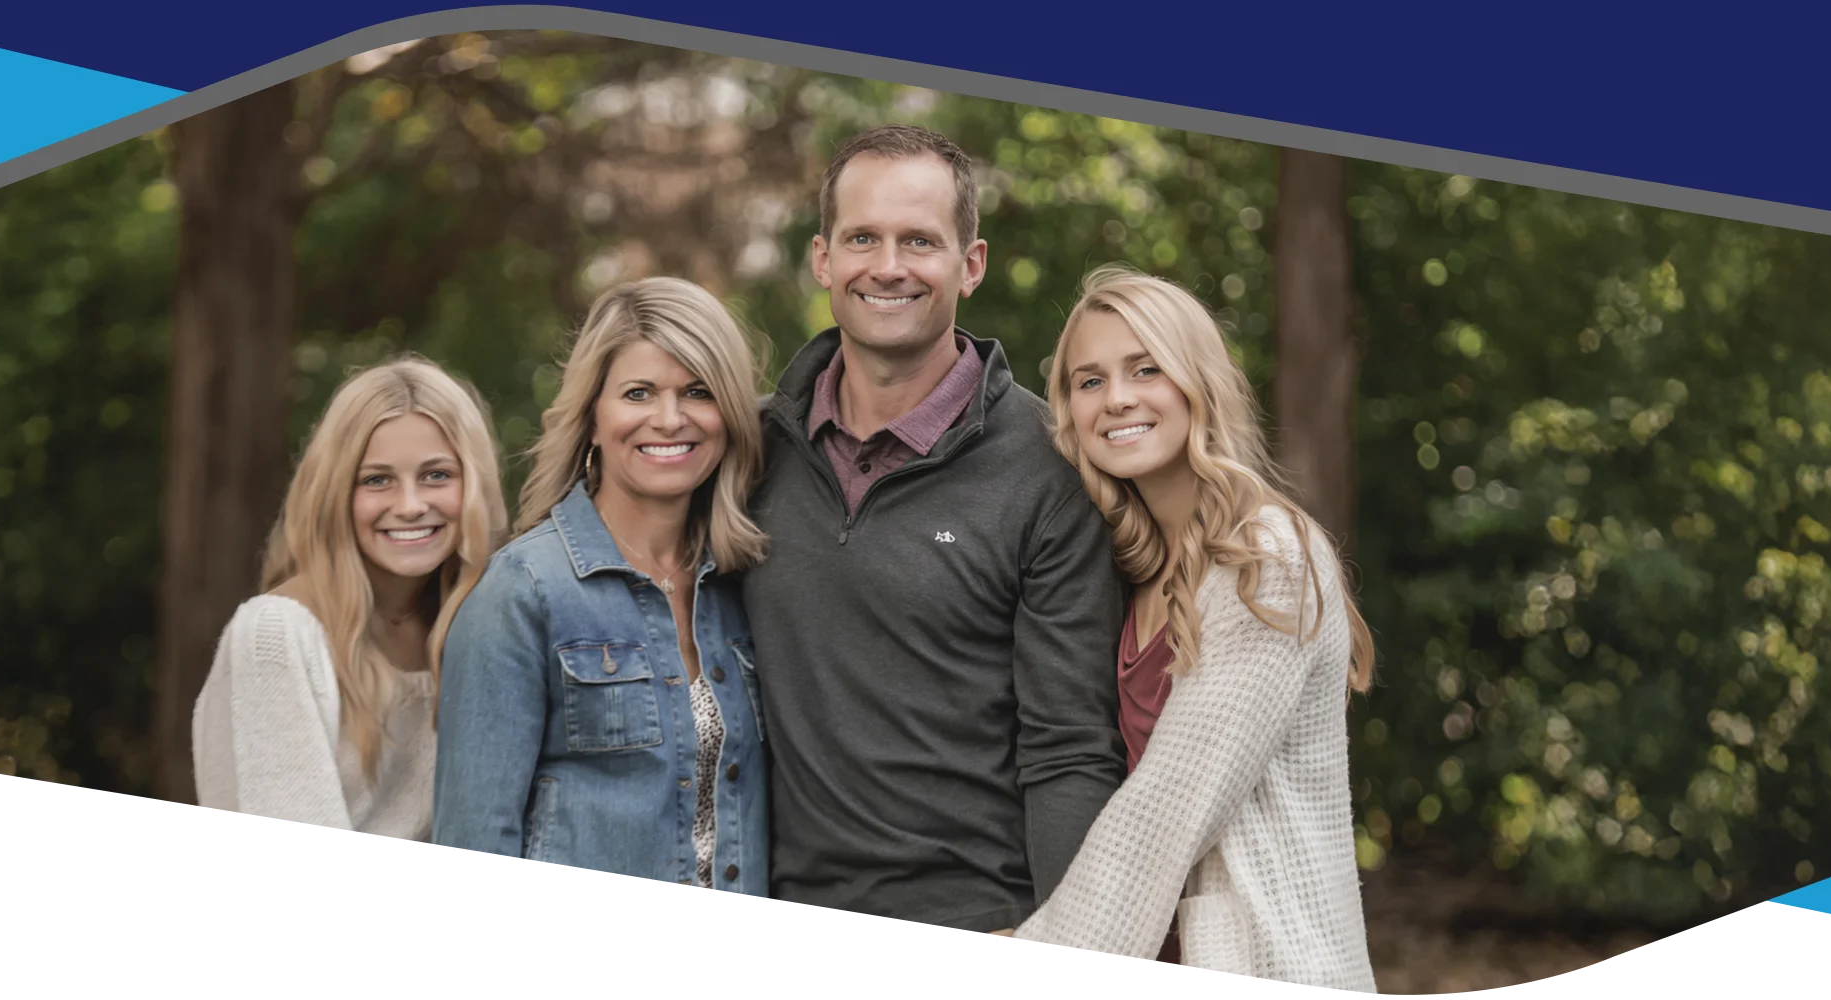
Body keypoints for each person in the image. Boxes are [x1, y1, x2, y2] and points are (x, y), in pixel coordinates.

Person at [742, 123, 1127, 934]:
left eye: (919, 240)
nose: (888, 266)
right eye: (862, 239)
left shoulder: (1051, 468)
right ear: (823, 259)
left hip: (978, 923)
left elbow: (1068, 752)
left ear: (970, 264)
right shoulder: (752, 452)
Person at [1004, 264, 1380, 994]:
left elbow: (1169, 803)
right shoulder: (1131, 566)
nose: (1117, 398)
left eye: (1145, 368)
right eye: (1089, 381)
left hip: (1271, 956)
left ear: (1196, 382)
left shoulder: (1267, 558)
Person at [430, 277, 773, 896]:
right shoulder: (523, 592)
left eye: (698, 391)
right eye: (638, 393)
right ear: (592, 418)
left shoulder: (743, 587)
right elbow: (474, 840)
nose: (669, 418)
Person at [192, 355, 510, 844]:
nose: (409, 506)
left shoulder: (473, 626)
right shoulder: (277, 635)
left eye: (437, 475)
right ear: (336, 492)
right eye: (377, 479)